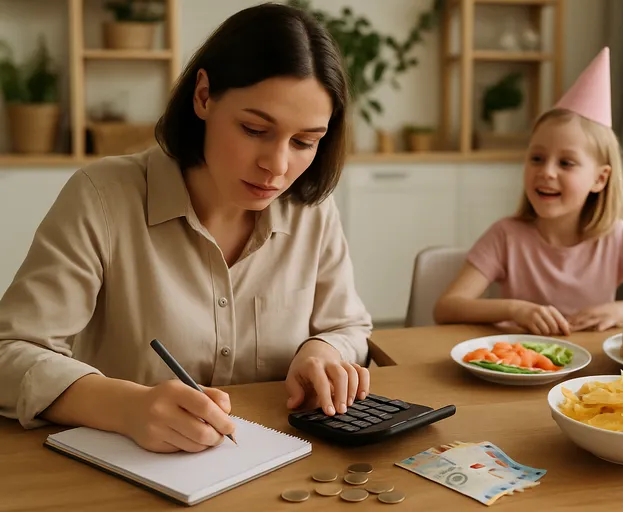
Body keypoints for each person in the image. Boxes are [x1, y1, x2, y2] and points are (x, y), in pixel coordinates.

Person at [0, 3, 372, 453]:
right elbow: (10, 352)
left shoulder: (312, 210)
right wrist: (125, 407)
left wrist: (322, 351)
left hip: (277, 466)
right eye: (254, 129)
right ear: (203, 96)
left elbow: (350, 328)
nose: (276, 166)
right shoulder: (102, 196)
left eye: (304, 142)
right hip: (126, 473)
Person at [433, 47, 623, 335]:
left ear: (600, 179)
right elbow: (448, 307)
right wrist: (516, 309)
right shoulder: (505, 236)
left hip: (591, 373)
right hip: (520, 366)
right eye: (537, 158)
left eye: (566, 163)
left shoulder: (615, 239)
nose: (547, 172)